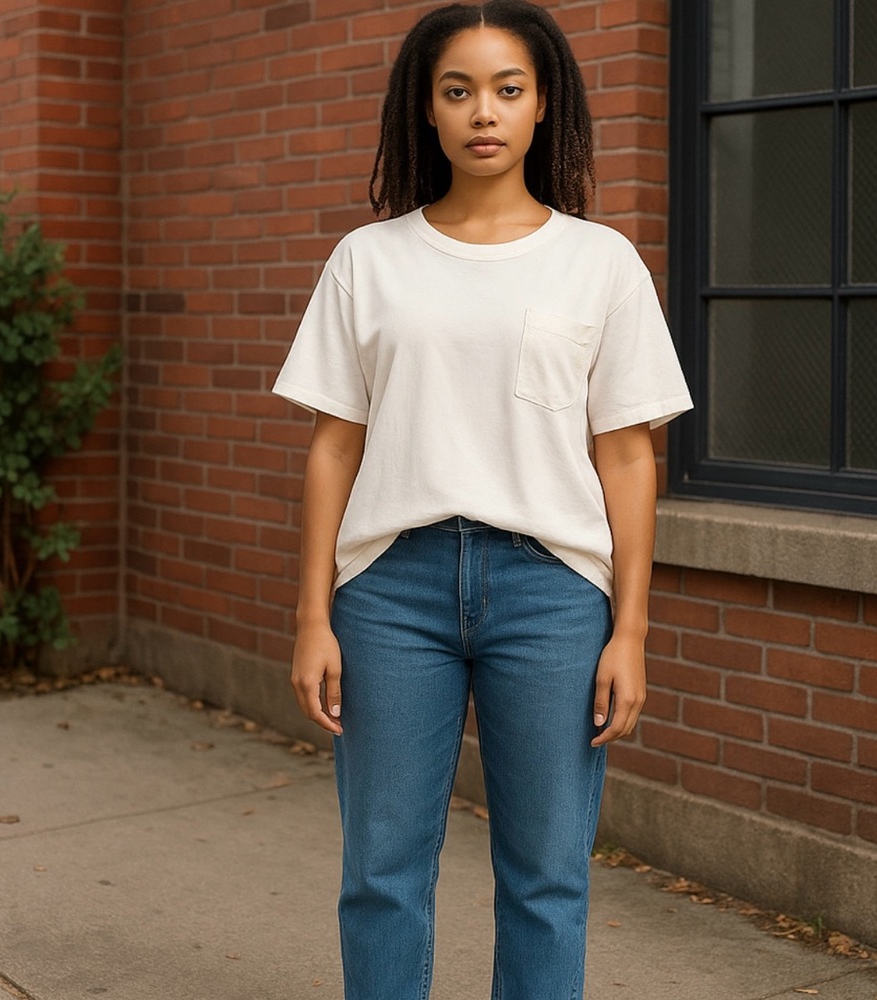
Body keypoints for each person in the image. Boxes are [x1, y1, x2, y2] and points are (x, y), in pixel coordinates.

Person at [272, 2, 692, 997]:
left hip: (551, 594)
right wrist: (311, 615)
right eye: (457, 90)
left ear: (545, 105)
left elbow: (627, 456)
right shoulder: (367, 261)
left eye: (507, 89)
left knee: (547, 876)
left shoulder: (599, 263)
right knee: (380, 873)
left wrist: (629, 629)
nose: (482, 112)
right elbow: (334, 445)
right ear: (426, 109)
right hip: (389, 594)